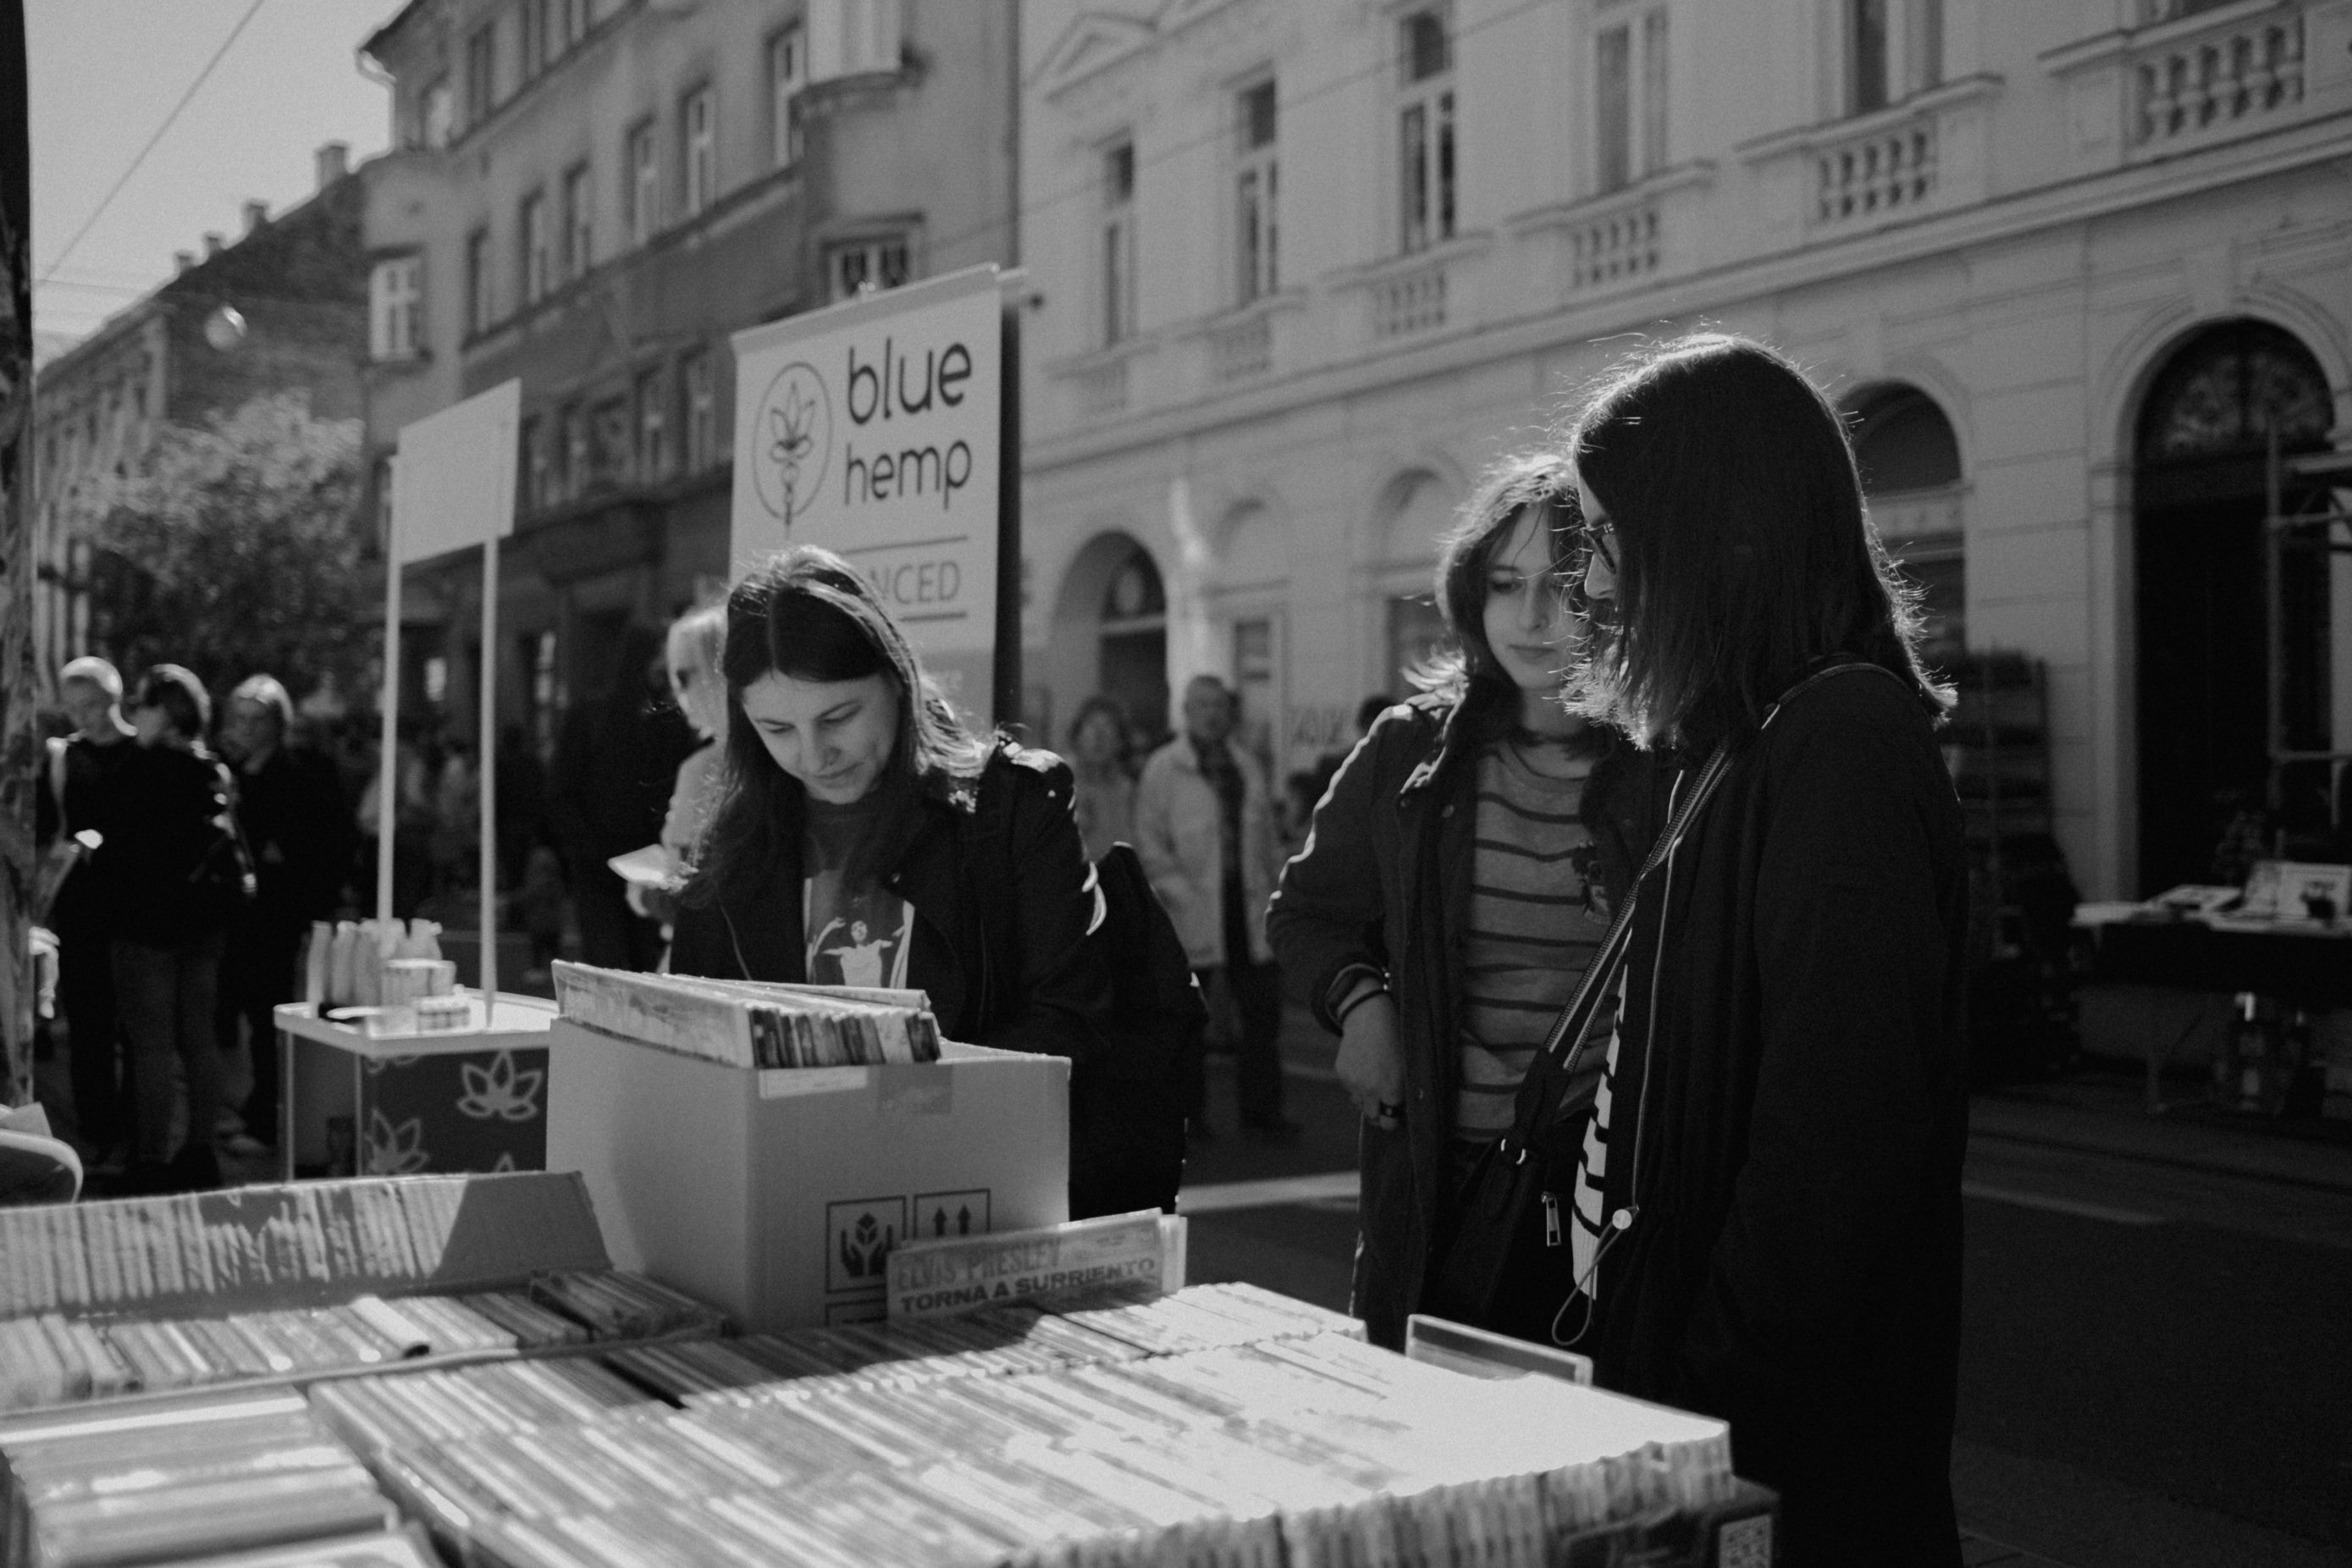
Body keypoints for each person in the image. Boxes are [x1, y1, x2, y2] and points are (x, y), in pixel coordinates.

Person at [1561, 334, 1968, 1565]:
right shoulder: (1751, 738)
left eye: (1598, 539)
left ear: (1709, 539)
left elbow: (1827, 1158)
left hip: (1771, 1473)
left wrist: (1700, 1413)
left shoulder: (1837, 744)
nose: (1584, 586)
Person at [1267, 454, 1664, 1348]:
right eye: (1505, 584)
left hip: (1612, 1192)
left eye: (1562, 586)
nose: (1531, 617)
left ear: (1610, 590)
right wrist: (1361, 1004)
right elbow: (1305, 913)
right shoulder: (1414, 749)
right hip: (1443, 1186)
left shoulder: (1662, 762)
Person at [668, 548, 1110, 1077]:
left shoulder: (1011, 810)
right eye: (777, 730)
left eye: (839, 716)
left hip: (969, 1150)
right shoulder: (733, 849)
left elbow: (1070, 1029)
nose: (813, 755)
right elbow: (693, 1050)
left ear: (896, 679)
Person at [97, 665, 251, 1193]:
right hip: (203, 929)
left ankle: (150, 1161)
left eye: (142, 704)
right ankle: (201, 1152)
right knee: (199, 1041)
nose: (134, 714)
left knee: (151, 1048)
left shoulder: (136, 771)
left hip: (144, 930)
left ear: (164, 712)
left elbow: (114, 850)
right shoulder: (213, 771)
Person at [1135, 675, 1295, 1142]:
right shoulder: (1164, 768)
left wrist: (1277, 894)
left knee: (1262, 1017)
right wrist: (1177, 890)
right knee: (1189, 1021)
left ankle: (1262, 1111)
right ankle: (1188, 1116)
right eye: (1202, 705)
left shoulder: (1246, 765)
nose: (1212, 713)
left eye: (1220, 705)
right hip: (1191, 909)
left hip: (1247, 905)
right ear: (1185, 711)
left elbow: (1264, 839)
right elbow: (1150, 840)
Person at [213, 675, 354, 1160]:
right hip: (232, 914)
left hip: (277, 916)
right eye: (241, 720)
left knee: (267, 1012)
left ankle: (267, 1119)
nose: (248, 730)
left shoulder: (299, 774)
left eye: (259, 721)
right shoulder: (228, 772)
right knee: (230, 1015)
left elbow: (312, 846)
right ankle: (250, 1104)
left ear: (278, 725)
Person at [33, 656, 139, 1169]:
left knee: (139, 1024)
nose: (83, 718)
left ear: (115, 700)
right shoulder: (62, 757)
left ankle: (137, 1125)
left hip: (135, 907)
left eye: (92, 706)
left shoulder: (142, 754)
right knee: (89, 1024)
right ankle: (97, 1127)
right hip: (80, 906)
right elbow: (48, 826)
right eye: (73, 708)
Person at [549, 624, 699, 971]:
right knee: (614, 963)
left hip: (644, 867)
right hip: (604, 868)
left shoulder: (668, 720)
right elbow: (563, 793)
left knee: (642, 964)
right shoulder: (593, 717)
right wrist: (588, 849)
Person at [1067, 695, 1136, 863]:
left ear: (1120, 741)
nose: (1099, 736)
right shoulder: (1061, 782)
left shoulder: (1126, 790)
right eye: (1091, 726)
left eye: (1108, 726)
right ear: (1077, 736)